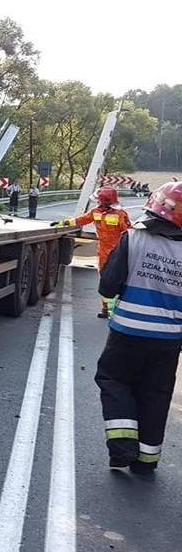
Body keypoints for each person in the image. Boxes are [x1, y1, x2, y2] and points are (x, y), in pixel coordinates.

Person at [94, 181, 182, 476]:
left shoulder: (132, 239)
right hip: (169, 341)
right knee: (156, 394)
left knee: (114, 380)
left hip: (127, 333)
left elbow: (108, 285)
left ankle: (122, 448)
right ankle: (146, 461)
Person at [61, 187, 131, 317]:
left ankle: (114, 310)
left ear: (103, 201)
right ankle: (105, 309)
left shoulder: (121, 215)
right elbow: (83, 219)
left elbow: (128, 233)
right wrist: (66, 222)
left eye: (98, 200)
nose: (97, 202)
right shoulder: (95, 212)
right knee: (104, 279)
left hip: (118, 252)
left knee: (115, 279)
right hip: (103, 251)